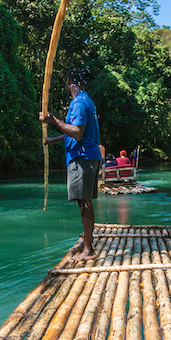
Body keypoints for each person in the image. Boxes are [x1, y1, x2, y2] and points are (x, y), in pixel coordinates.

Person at [39, 68, 102, 262]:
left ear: (70, 82)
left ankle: (88, 250)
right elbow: (72, 132)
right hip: (85, 156)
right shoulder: (84, 100)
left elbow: (77, 132)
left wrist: (53, 120)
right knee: (84, 202)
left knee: (84, 202)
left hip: (82, 158)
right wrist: (52, 140)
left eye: (66, 82)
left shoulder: (80, 103)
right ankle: (87, 245)